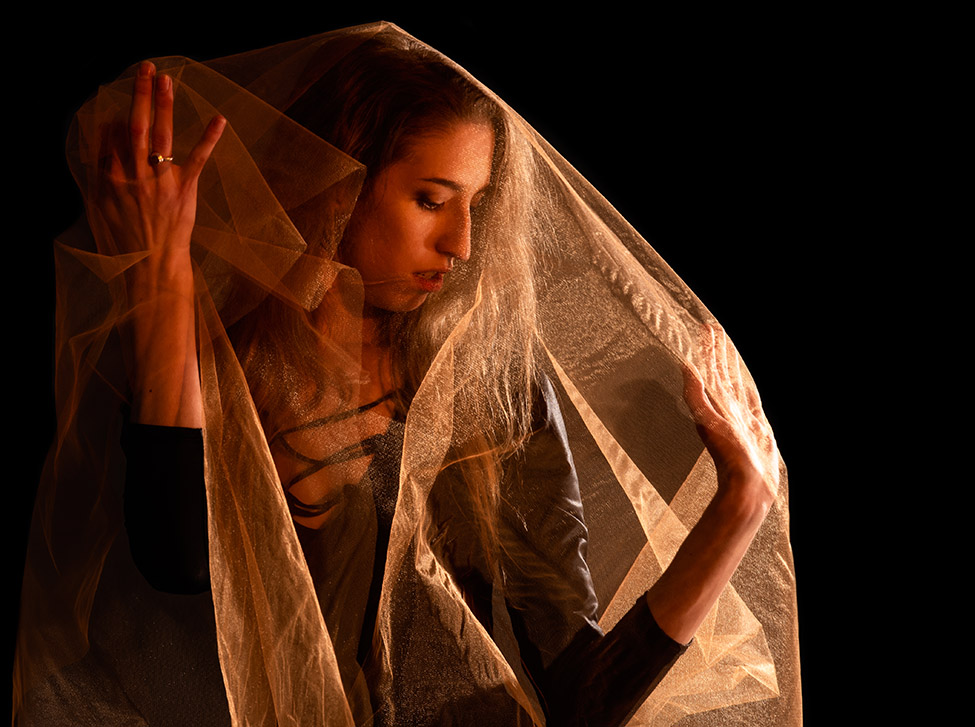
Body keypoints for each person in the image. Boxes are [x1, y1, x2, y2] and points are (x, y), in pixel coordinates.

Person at [13, 23, 799, 726]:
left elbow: (582, 696)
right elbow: (177, 556)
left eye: (476, 206)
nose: (460, 243)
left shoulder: (492, 390)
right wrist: (162, 286)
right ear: (339, 182)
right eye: (430, 199)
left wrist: (739, 505)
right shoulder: (217, 348)